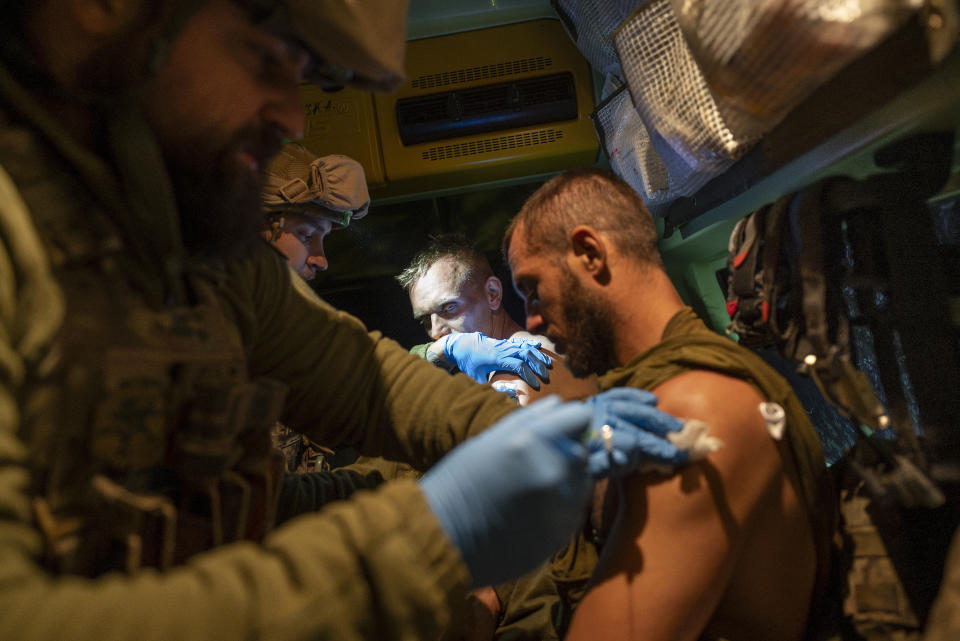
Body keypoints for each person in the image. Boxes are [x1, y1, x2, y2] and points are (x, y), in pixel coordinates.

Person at [0, 3, 694, 641]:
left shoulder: (198, 253)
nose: (292, 117)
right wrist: (436, 529)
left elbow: (361, 383)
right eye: (266, 58)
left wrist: (525, 436)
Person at [503, 168, 837, 641]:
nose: (532, 320)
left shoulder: (692, 410)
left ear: (590, 254)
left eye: (533, 291)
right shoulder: (648, 392)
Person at [398, 232, 597, 405]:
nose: (435, 332)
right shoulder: (550, 349)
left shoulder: (520, 370)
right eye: (425, 320)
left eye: (450, 308)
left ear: (492, 293)